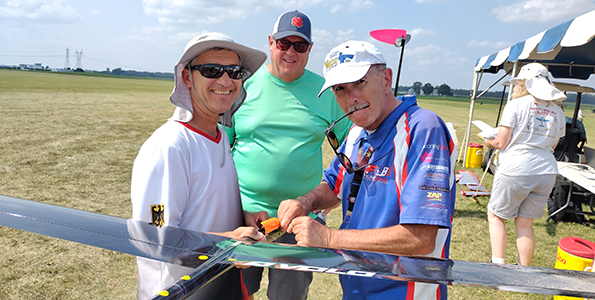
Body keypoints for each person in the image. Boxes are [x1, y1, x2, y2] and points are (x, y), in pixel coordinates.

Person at [277, 40, 457, 300]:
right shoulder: (357, 133)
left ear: (386, 79)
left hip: (404, 292)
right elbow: (334, 184)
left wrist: (327, 238)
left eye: (359, 82)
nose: (352, 98)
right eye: (340, 89)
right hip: (357, 286)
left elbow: (421, 238)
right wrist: (304, 202)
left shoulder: (422, 128)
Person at [130, 32, 269, 300]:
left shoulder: (217, 136)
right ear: (186, 77)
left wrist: (243, 218)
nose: (226, 80)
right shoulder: (170, 146)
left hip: (220, 284)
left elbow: (203, 208)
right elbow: (156, 237)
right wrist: (227, 242)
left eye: (235, 71)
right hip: (179, 292)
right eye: (211, 70)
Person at [225, 10, 351, 300]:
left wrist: (326, 197)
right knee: (235, 291)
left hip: (299, 220)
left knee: (288, 297)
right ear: (271, 43)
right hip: (242, 216)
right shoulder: (242, 87)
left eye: (300, 46)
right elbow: (221, 150)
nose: (291, 52)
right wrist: (236, 207)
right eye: (284, 43)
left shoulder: (326, 93)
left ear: (309, 49)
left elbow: (350, 150)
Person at [485, 63, 566, 266]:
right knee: (525, 223)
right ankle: (524, 269)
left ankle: (498, 265)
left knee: (496, 216)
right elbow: (554, 144)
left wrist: (489, 142)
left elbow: (501, 142)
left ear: (523, 83)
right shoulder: (558, 110)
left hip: (517, 167)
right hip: (546, 170)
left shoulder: (516, 105)